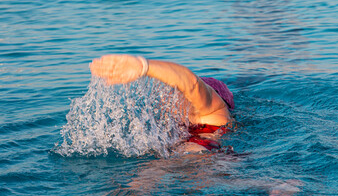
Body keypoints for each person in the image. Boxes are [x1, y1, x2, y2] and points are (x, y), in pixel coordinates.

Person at [90, 54, 235, 152]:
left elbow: (192, 84)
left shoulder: (211, 111)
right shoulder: (173, 122)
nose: (171, 96)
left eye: (179, 92)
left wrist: (143, 67)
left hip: (207, 162)